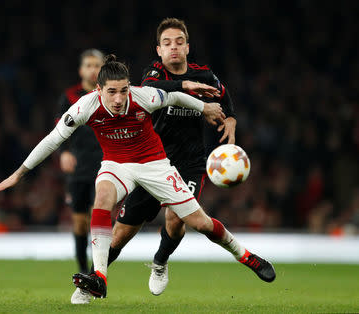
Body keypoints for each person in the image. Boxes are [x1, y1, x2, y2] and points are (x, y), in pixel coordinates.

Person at [0, 55, 274, 301]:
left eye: (123, 91)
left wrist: (204, 107)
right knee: (102, 198)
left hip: (155, 165)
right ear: (98, 89)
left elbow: (174, 96)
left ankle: (247, 256)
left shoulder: (144, 96)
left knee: (198, 222)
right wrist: (18, 174)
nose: (119, 98)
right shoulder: (85, 106)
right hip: (116, 164)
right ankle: (99, 277)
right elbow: (52, 140)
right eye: (112, 92)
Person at [70, 18, 270, 304]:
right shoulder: (153, 74)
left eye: (178, 42)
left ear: (187, 47)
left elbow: (224, 98)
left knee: (177, 218)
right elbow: (152, 86)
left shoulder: (206, 75)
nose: (173, 47)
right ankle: (91, 280)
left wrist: (232, 120)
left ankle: (160, 262)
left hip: (189, 162)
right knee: (121, 234)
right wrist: (185, 85)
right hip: (148, 161)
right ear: (159, 50)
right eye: (167, 43)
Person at [57, 49, 104, 274]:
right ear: (81, 70)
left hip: (105, 166)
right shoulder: (68, 97)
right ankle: (83, 270)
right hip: (78, 169)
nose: (93, 69)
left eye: (97, 65)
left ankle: (97, 271)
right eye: (89, 65)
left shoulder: (110, 95)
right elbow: (59, 132)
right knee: (80, 223)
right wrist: (63, 153)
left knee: (98, 219)